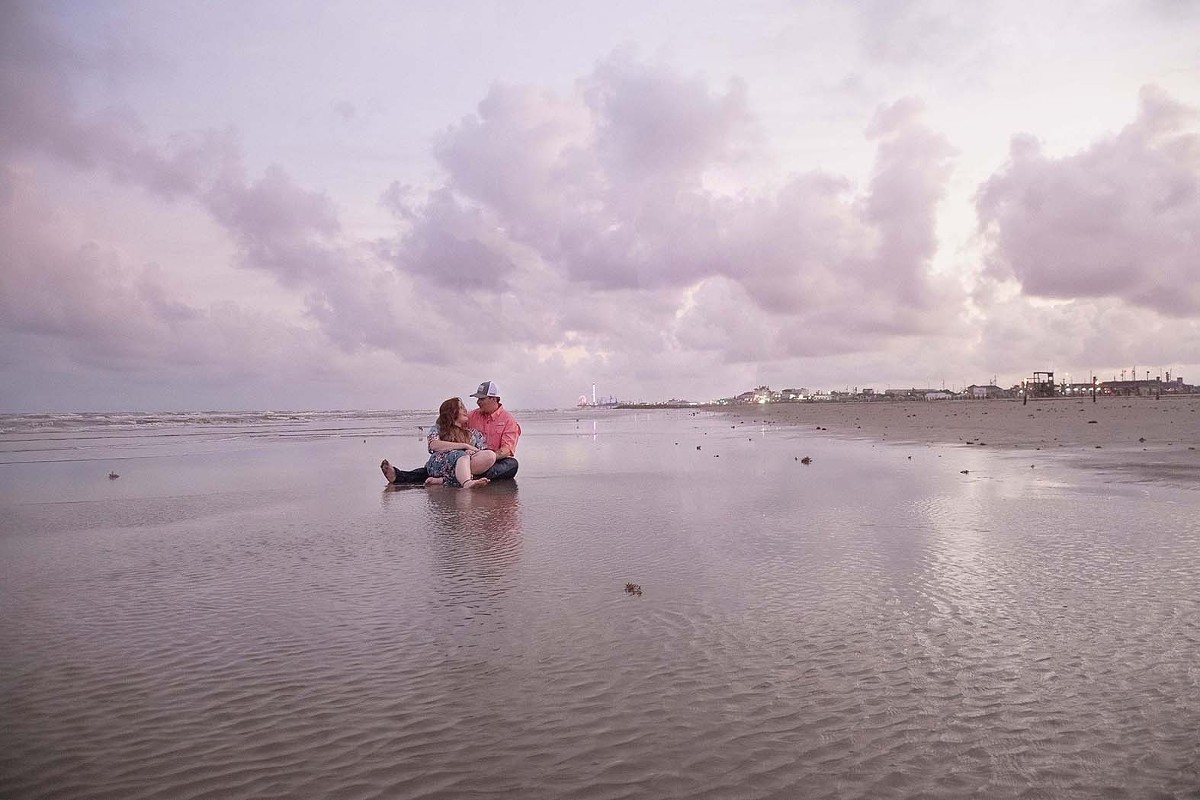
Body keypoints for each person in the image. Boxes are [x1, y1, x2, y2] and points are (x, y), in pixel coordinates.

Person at [381, 379, 521, 485]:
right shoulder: (471, 415)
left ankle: (454, 478)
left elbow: (507, 450)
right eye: (477, 398)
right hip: (462, 457)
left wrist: (483, 457)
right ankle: (401, 476)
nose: (478, 402)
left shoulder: (509, 421)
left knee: (511, 465)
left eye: (481, 398)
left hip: (488, 459)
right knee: (448, 462)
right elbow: (449, 420)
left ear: (494, 398)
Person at [420, 397, 495, 489]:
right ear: (452, 412)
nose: (465, 410)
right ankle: (467, 482)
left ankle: (445, 480)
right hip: (440, 465)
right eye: (461, 408)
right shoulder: (439, 428)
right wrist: (464, 446)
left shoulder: (473, 433)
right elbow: (434, 445)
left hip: (465, 464)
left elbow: (482, 451)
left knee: (490, 455)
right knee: (461, 455)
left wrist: (473, 452)